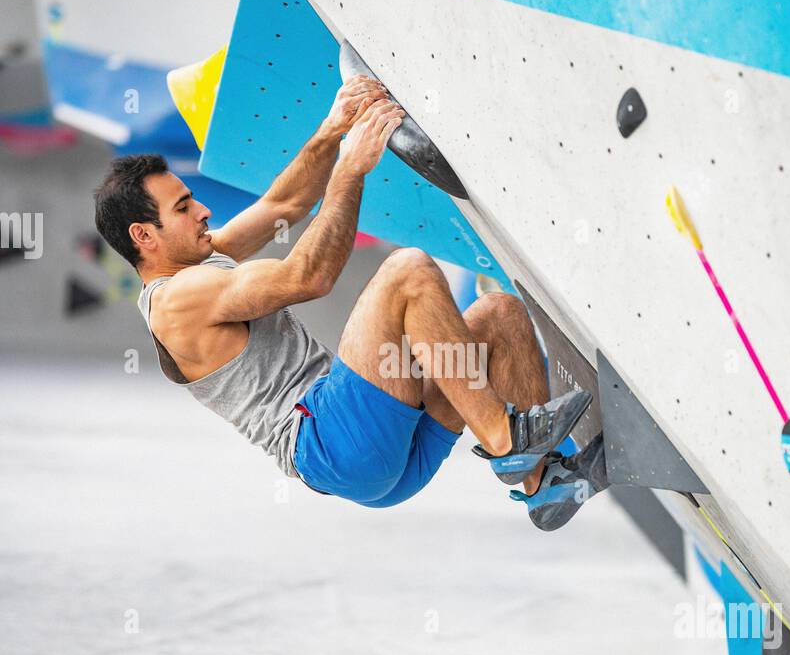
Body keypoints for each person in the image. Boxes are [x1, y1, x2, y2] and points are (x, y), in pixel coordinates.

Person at [93, 75, 605, 529]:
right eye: (183, 207)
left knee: (499, 317)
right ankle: (508, 442)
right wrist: (351, 169)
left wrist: (332, 129)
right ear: (145, 235)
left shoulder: (202, 263)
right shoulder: (178, 302)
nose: (204, 210)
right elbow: (307, 276)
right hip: (330, 441)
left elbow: (283, 205)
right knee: (407, 271)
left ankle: (546, 481)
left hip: (379, 451)